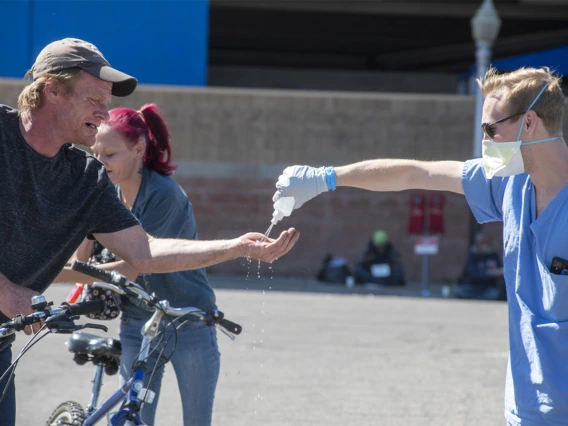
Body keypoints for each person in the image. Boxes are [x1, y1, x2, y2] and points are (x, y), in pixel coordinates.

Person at [0, 38, 298, 426]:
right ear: (52, 89)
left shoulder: (85, 178)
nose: (104, 113)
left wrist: (237, 247)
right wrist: (7, 291)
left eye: (107, 102)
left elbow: (144, 252)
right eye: (94, 99)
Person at [273, 67, 568, 425]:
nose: (485, 141)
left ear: (529, 123)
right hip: (524, 409)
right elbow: (416, 172)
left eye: (491, 129)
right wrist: (326, 178)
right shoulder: (507, 185)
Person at [54, 103, 222, 425]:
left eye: (110, 154)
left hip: (187, 322)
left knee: (197, 421)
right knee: (133, 419)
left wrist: (62, 275)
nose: (100, 162)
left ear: (139, 150)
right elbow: (82, 259)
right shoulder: (105, 188)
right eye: (96, 153)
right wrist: (86, 216)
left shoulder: (164, 196)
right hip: (137, 324)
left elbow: (135, 266)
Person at [455, 231, 505, 301]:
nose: (485, 246)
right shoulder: (472, 255)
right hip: (472, 286)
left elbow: (500, 270)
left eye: (487, 243)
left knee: (494, 294)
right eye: (483, 243)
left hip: (487, 288)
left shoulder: (493, 256)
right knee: (460, 291)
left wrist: (496, 273)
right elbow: (474, 274)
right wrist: (490, 273)